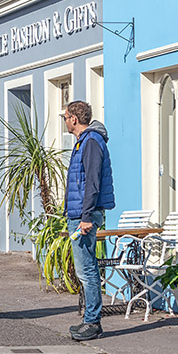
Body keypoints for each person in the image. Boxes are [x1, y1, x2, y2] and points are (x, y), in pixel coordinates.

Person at [63, 101, 115, 341]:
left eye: (65, 117)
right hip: (79, 214)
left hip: (84, 216)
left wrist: (85, 217)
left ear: (74, 118)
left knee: (87, 270)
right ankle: (89, 320)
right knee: (86, 269)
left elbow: (92, 182)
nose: (65, 121)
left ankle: (92, 322)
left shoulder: (91, 142)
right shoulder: (85, 142)